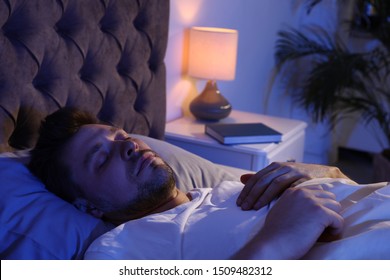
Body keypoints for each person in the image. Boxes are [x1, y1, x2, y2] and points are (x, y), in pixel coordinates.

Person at [29, 108, 355, 259]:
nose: (130, 146)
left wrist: (315, 176)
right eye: (101, 159)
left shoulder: (230, 188)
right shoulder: (120, 250)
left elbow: (349, 188)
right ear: (89, 206)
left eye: (124, 137)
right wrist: (283, 238)